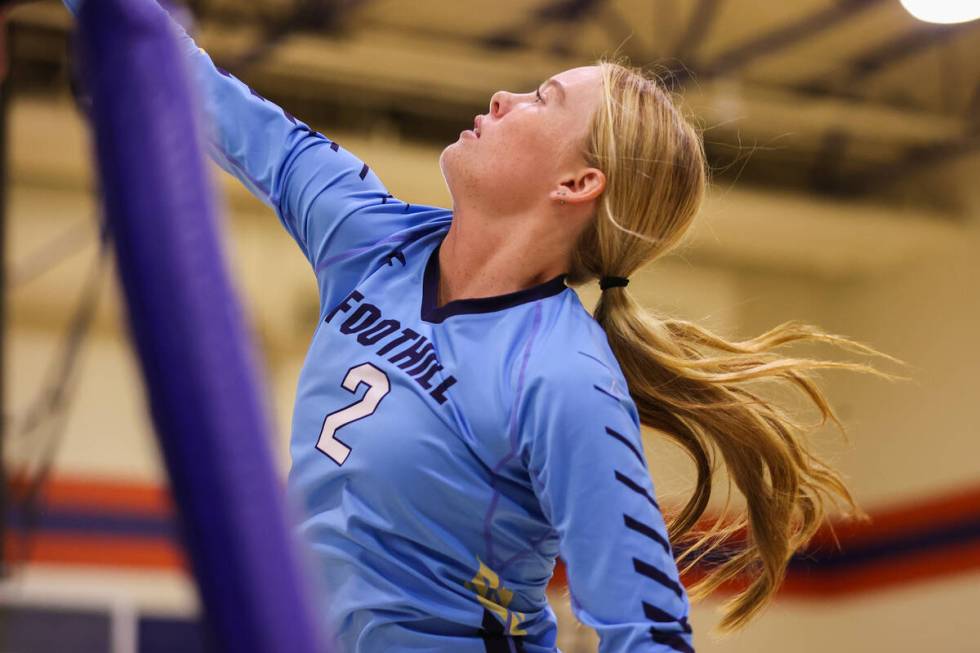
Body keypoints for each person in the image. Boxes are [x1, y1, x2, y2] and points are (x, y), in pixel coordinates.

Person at [64, 1, 905, 651]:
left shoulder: (564, 379)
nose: (503, 96)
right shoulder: (370, 235)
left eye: (542, 99)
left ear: (579, 183)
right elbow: (211, 100)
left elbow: (645, 630)